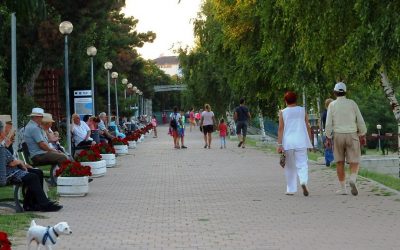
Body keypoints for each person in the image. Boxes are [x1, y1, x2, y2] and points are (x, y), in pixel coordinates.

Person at [0, 120, 62, 212]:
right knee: (32, 177)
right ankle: (44, 204)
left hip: (11, 170)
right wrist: (19, 162)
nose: (5, 132)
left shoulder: (2, 144)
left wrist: (19, 161)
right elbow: (8, 163)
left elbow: (9, 160)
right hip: (6, 174)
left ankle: (31, 204)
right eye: (4, 130)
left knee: (38, 172)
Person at [325, 82, 367, 196]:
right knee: (354, 160)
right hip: (352, 134)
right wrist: (362, 134)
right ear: (345, 92)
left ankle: (343, 189)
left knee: (339, 162)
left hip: (338, 135)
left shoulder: (332, 105)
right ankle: (352, 178)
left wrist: (328, 137)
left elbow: (328, 123)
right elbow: (360, 120)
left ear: (334, 93)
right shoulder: (352, 103)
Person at [277, 91, 312, 196]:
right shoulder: (302, 110)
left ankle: (291, 189)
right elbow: (307, 126)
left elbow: (280, 128)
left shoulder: (283, 112)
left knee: (290, 166)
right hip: (301, 140)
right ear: (296, 99)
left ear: (285, 101)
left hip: (288, 142)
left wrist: (279, 144)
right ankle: (303, 181)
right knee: (302, 163)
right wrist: (309, 141)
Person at [322, 98, 334, 166]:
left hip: (326, 131)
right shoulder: (328, 113)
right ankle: (330, 161)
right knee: (329, 146)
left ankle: (328, 161)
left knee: (328, 147)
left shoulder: (324, 113)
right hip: (329, 131)